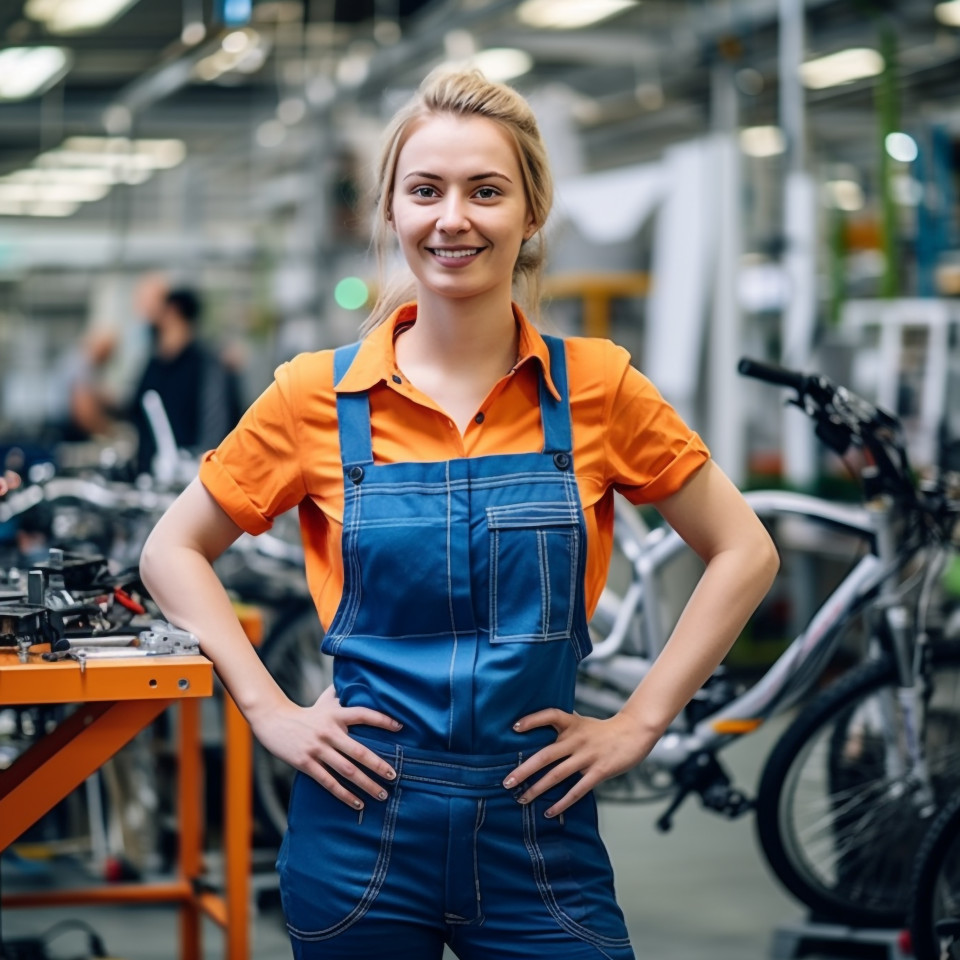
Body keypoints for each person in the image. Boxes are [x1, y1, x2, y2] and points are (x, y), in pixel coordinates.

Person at [140, 68, 779, 959]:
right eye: (425, 191)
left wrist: (639, 722)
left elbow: (745, 550)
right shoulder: (314, 395)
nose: (453, 219)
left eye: (487, 191)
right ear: (393, 211)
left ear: (531, 212)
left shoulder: (596, 387)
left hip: (539, 832)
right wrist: (269, 708)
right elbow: (172, 548)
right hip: (359, 831)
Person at [128, 285, 242, 476]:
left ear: (172, 311)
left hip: (189, 478)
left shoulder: (207, 364)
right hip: (150, 476)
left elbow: (216, 424)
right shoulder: (154, 363)